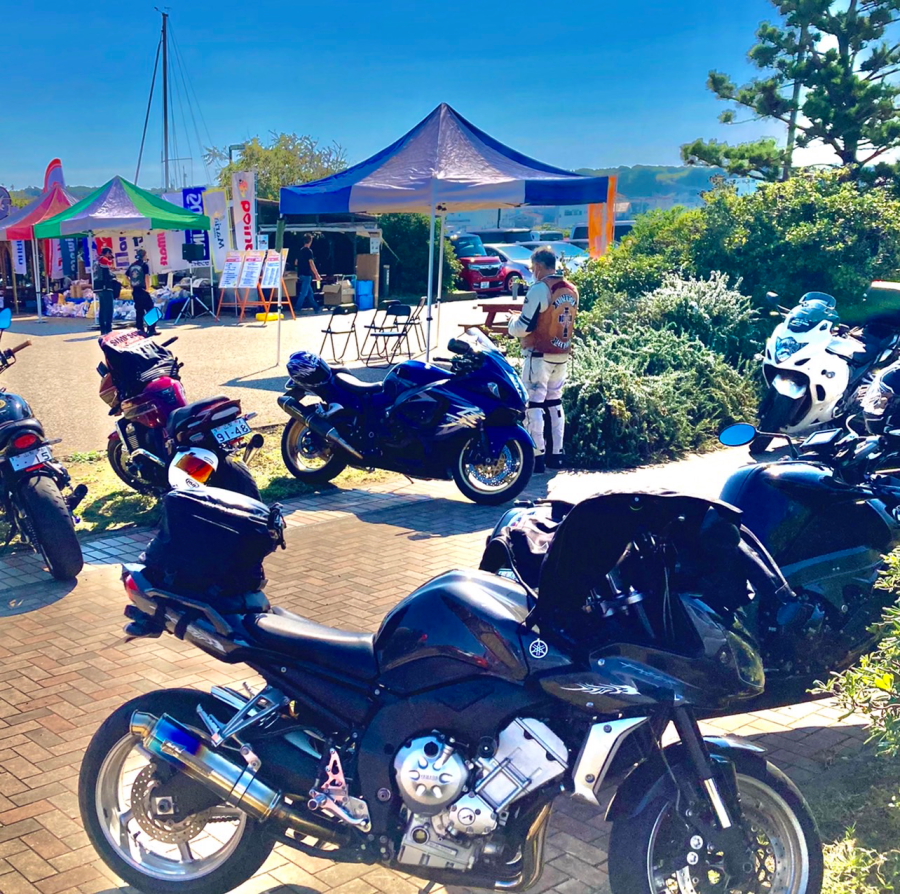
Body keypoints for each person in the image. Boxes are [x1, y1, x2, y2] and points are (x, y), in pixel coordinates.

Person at [508, 247, 578, 474]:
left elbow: (524, 327)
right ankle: (557, 454)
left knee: (534, 403)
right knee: (555, 401)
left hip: (539, 354)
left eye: (532, 268)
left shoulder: (540, 289)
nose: (532, 272)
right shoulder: (571, 289)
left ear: (538, 266)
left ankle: (537, 455)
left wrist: (510, 323)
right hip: (562, 353)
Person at [126, 249, 157, 335]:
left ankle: (140, 329)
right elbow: (147, 277)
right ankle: (151, 329)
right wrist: (147, 288)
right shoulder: (144, 265)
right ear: (144, 256)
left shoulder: (132, 265)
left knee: (139, 310)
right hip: (143, 290)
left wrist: (131, 283)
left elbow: (126, 276)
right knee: (150, 309)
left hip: (135, 290)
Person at [295, 233, 323, 313]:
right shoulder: (309, 251)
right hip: (307, 274)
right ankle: (297, 308)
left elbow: (296, 262)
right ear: (310, 241)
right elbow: (311, 263)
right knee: (304, 293)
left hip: (301, 274)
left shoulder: (300, 250)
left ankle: (316, 308)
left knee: (310, 293)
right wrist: (317, 274)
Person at [94, 247, 117, 335]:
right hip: (105, 286)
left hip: (98, 287)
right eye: (110, 254)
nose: (111, 256)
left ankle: (103, 328)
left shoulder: (96, 261)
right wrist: (113, 275)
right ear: (107, 253)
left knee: (102, 308)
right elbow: (107, 273)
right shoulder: (103, 259)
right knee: (109, 308)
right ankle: (108, 328)